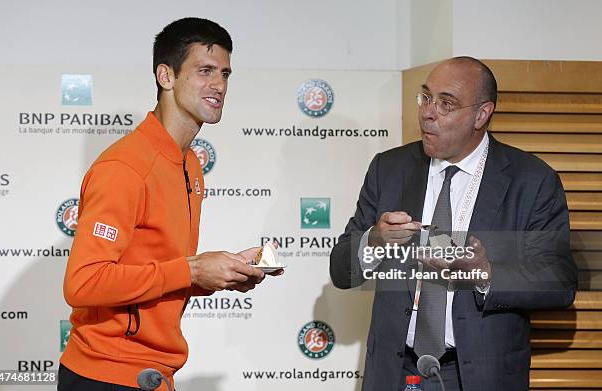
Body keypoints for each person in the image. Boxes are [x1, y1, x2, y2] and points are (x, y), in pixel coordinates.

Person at [330, 56, 577, 391]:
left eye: (446, 103)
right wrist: (373, 241)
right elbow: (341, 271)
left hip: (478, 375)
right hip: (395, 372)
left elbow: (560, 281)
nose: (428, 112)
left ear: (481, 114)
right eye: (426, 97)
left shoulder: (531, 181)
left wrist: (485, 274)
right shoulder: (388, 169)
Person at [58, 17, 280, 391]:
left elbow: (157, 272)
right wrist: (192, 271)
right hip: (106, 374)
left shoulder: (190, 163)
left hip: (154, 375)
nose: (219, 86)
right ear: (166, 76)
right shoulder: (125, 166)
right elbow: (83, 283)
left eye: (225, 74)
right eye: (204, 71)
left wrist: (220, 273)